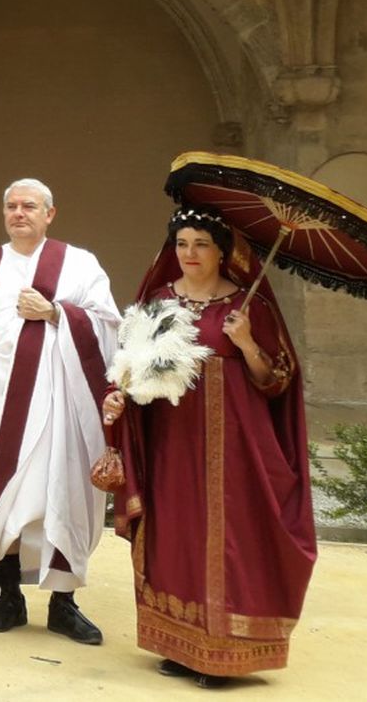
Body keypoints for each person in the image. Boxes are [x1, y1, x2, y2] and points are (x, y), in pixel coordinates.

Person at [102, 208, 316, 689]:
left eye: (201, 244)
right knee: (177, 533)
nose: (190, 253)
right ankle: (180, 645)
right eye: (182, 243)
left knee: (231, 537)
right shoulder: (157, 303)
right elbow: (133, 371)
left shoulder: (249, 306)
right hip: (171, 445)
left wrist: (246, 344)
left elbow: (275, 381)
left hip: (237, 446)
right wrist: (119, 396)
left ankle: (226, 653)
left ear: (224, 251)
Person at [0, 178, 117, 644]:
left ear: (50, 214)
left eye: (29, 206)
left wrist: (57, 312)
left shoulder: (79, 263)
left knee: (60, 493)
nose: (19, 213)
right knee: (5, 497)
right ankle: (8, 597)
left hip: (61, 408)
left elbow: (108, 326)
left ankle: (63, 603)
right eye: (11, 206)